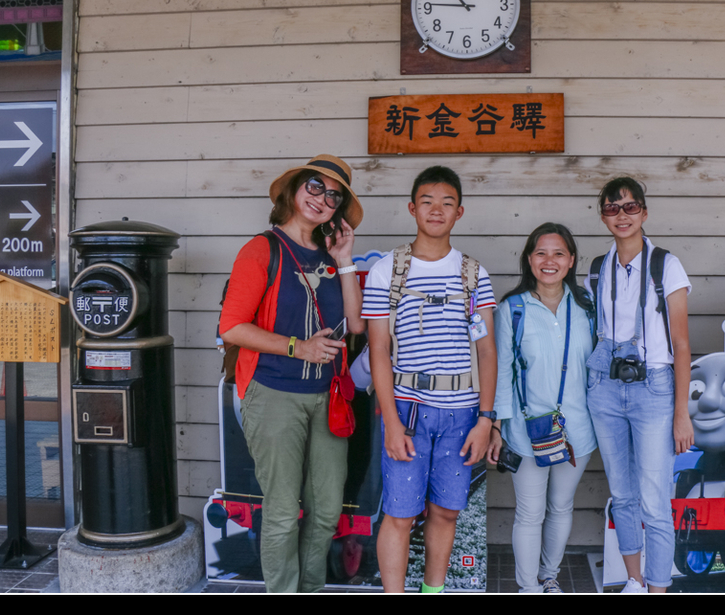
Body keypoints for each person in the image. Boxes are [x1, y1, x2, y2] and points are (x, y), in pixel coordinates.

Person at [218, 154, 365, 593]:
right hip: (274, 392)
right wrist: (298, 347)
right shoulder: (261, 249)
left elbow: (356, 325)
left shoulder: (332, 255)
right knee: (282, 511)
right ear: (294, 189)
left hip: (329, 398)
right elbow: (232, 326)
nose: (322, 198)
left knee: (325, 510)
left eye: (333, 195)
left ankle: (311, 589)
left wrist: (345, 259)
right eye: (315, 187)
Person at [363, 166, 497, 593]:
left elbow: (487, 350)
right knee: (400, 514)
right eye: (427, 201)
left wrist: (486, 419)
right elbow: (379, 350)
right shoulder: (388, 271)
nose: (436, 210)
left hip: (462, 413)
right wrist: (391, 421)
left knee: (446, 511)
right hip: (407, 410)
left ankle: (433, 590)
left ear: (460, 211)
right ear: (411, 208)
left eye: (446, 202)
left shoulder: (474, 275)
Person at [584, 177, 693, 594]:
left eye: (630, 207)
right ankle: (633, 580)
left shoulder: (667, 265)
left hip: (654, 389)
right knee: (623, 495)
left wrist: (681, 413)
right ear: (603, 217)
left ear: (644, 212)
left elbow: (682, 345)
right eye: (613, 209)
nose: (622, 216)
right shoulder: (597, 268)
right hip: (607, 388)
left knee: (654, 501)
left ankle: (658, 587)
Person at [488, 223, 597, 593]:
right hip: (525, 429)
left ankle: (548, 578)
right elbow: (501, 372)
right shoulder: (512, 309)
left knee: (562, 507)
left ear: (570, 261)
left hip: (577, 430)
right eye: (541, 253)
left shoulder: (587, 307)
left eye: (558, 253)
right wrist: (497, 428)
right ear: (529, 259)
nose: (549, 261)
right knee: (530, 513)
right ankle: (527, 587)